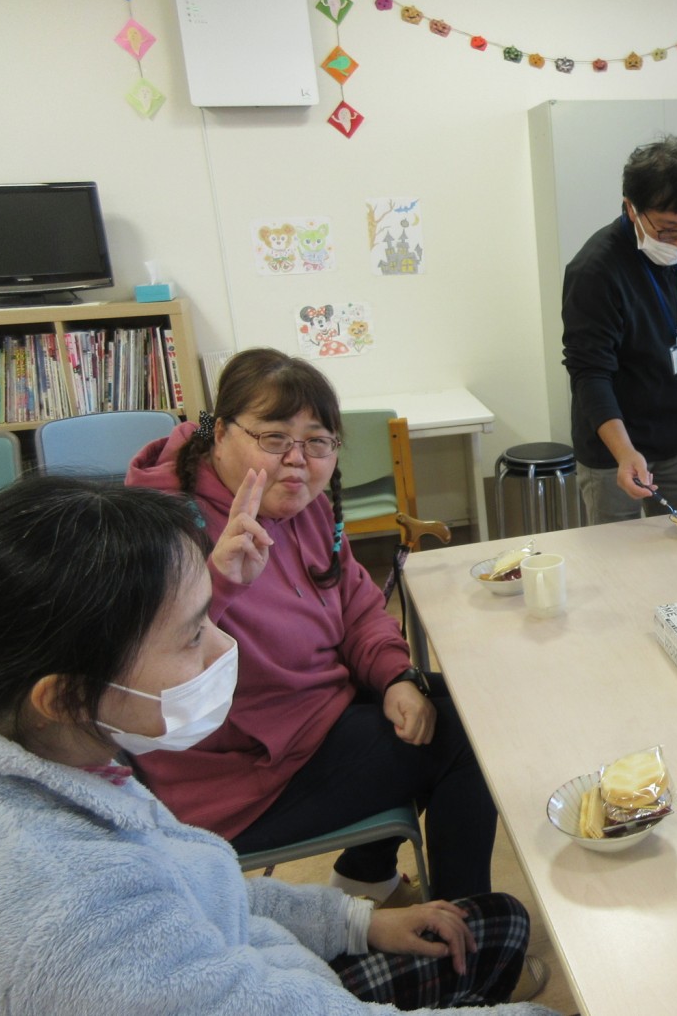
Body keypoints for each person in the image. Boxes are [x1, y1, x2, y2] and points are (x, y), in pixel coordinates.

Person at [0, 476, 552, 1015]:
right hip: (277, 823)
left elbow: (208, 889)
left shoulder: (74, 763)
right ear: (66, 696)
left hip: (276, 960)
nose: (220, 649)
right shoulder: (84, 916)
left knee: (497, 922)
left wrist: (357, 923)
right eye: (193, 634)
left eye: (317, 440)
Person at [126, 348, 497, 912]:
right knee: (466, 739)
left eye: (317, 441)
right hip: (242, 777)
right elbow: (148, 685)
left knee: (448, 697)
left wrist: (396, 675)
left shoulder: (307, 506)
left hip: (314, 721)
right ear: (221, 433)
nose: (296, 460)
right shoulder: (160, 531)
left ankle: (367, 881)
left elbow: (357, 606)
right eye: (273, 438)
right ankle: (468, 940)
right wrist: (217, 583)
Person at [562, 134, 677, 524]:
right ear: (631, 208)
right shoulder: (595, 270)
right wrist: (625, 454)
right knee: (617, 562)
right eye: (669, 229)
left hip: (676, 440)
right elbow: (590, 373)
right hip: (613, 452)